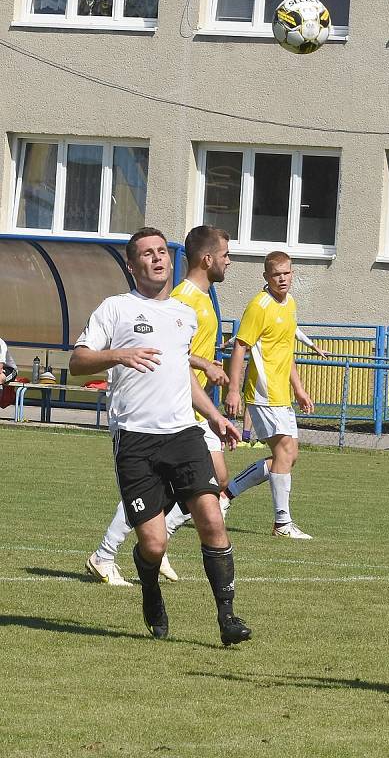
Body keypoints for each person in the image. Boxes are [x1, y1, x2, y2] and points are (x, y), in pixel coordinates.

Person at [70, 227, 251, 645]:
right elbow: (78, 360)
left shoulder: (182, 314)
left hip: (183, 434)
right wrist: (118, 354)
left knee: (211, 516)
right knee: (152, 544)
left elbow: (179, 372)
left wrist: (213, 416)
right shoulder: (114, 309)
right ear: (132, 266)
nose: (156, 259)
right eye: (146, 254)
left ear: (170, 261)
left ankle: (227, 618)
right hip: (134, 439)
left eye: (160, 252)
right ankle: (149, 586)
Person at [223, 251, 315, 539]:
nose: (282, 278)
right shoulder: (258, 306)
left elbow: (286, 351)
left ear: (292, 273)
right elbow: (240, 346)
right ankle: (282, 523)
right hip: (262, 392)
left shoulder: (290, 305)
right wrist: (234, 390)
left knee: (288, 456)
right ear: (266, 277)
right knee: (285, 452)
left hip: (281, 394)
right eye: (276, 274)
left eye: (286, 273)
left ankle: (226, 495)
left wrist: (298, 388)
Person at [235, 328, 327, 448]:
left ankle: (261, 440)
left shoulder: (287, 317)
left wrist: (315, 348)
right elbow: (242, 337)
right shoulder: (262, 313)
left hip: (276, 382)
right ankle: (246, 438)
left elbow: (297, 334)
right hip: (257, 376)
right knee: (251, 404)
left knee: (289, 453)